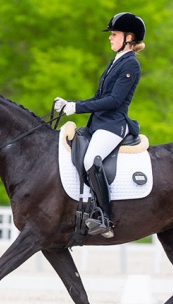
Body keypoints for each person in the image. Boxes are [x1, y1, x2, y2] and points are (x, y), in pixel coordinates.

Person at [54, 12, 146, 238]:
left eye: (114, 34)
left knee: (89, 159)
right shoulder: (115, 61)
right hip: (99, 123)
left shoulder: (131, 65)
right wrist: (71, 104)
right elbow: (98, 97)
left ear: (128, 37)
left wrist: (76, 108)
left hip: (114, 125)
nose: (110, 38)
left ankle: (105, 217)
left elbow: (114, 101)